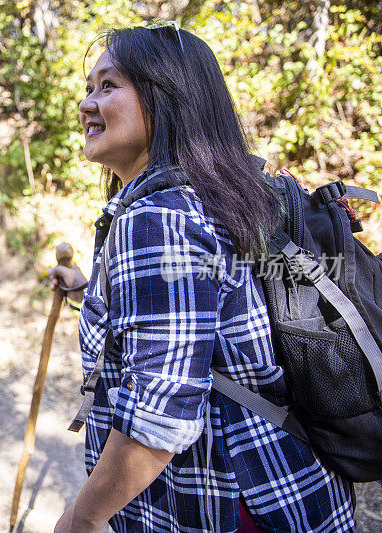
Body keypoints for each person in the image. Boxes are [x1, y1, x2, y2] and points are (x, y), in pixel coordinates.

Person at [48, 24, 355, 532]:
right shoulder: (220, 194)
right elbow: (208, 317)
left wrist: (80, 520)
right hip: (294, 490)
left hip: (231, 506)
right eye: (88, 87)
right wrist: (87, 289)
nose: (87, 103)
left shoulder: (159, 219)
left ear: (166, 97)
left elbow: (157, 419)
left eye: (108, 85)